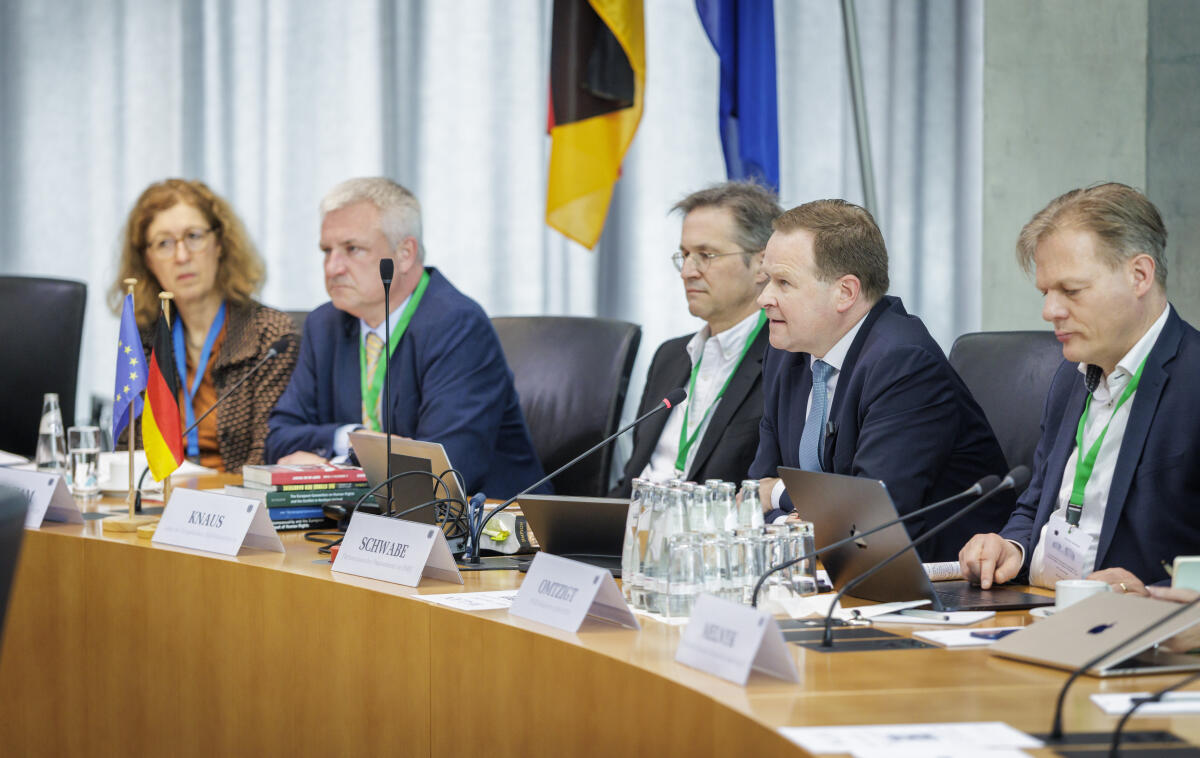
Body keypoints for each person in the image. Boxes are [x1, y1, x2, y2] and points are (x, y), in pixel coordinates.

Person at [959, 183, 1200, 593]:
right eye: (1046, 292)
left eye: (1071, 290)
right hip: (1034, 606)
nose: (1049, 311)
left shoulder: (1192, 379)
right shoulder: (1070, 377)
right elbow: (1035, 504)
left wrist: (1154, 593)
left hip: (1129, 623)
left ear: (1139, 276)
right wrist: (1011, 546)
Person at [747, 199, 1011, 562]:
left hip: (938, 581)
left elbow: (868, 521)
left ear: (845, 292)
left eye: (783, 283)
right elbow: (752, 495)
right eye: (766, 280)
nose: (763, 299)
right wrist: (788, 518)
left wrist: (779, 494)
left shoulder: (904, 363)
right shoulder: (786, 353)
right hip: (824, 571)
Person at [265, 177, 545, 499]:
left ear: (405, 254)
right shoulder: (324, 325)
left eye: (352, 249)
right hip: (371, 518)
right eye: (327, 251)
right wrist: (352, 437)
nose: (332, 268)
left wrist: (332, 468)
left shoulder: (458, 325)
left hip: (493, 521)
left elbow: (442, 471)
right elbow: (277, 441)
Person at [109, 179, 299, 473]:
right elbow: (129, 450)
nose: (182, 256)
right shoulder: (144, 336)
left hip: (234, 495)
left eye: (194, 237)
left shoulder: (269, 335)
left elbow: (268, 457)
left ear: (219, 243)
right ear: (148, 260)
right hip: (158, 493)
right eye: (164, 243)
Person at [610, 182, 779, 497]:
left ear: (761, 264)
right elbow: (630, 480)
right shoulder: (670, 356)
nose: (687, 272)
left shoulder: (786, 359)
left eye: (706, 255)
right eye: (685, 255)